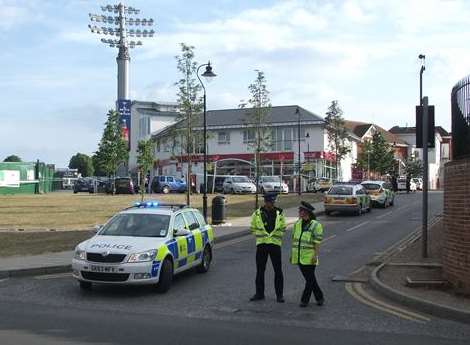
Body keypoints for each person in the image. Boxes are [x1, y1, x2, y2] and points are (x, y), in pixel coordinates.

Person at [249, 192, 286, 303]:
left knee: (278, 271)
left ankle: (279, 295)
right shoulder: (257, 214)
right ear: (265, 202)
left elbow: (283, 227)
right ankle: (259, 294)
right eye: (269, 202)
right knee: (260, 271)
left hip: (275, 244)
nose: (271, 204)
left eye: (273, 202)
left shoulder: (280, 212)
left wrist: (275, 235)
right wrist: (261, 235)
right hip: (262, 245)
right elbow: (252, 228)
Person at [291, 201, 324, 307]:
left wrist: (315, 255)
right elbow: (294, 240)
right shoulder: (297, 224)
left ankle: (304, 300)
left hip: (310, 257)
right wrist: (293, 254)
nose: (299, 212)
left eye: (301, 210)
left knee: (309, 279)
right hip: (299, 256)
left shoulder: (316, 225)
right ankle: (319, 297)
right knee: (311, 279)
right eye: (299, 210)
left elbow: (317, 242)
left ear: (307, 212)